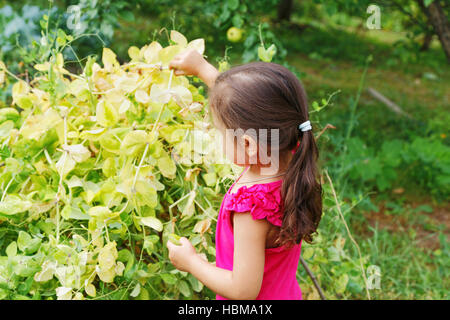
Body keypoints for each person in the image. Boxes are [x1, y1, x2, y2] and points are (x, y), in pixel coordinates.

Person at [166, 49, 322, 300]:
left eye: (221, 132)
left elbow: (242, 290)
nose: (219, 138)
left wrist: (191, 262)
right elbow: (245, 105)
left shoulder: (252, 209)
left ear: (248, 144)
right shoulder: (286, 153)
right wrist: (203, 68)